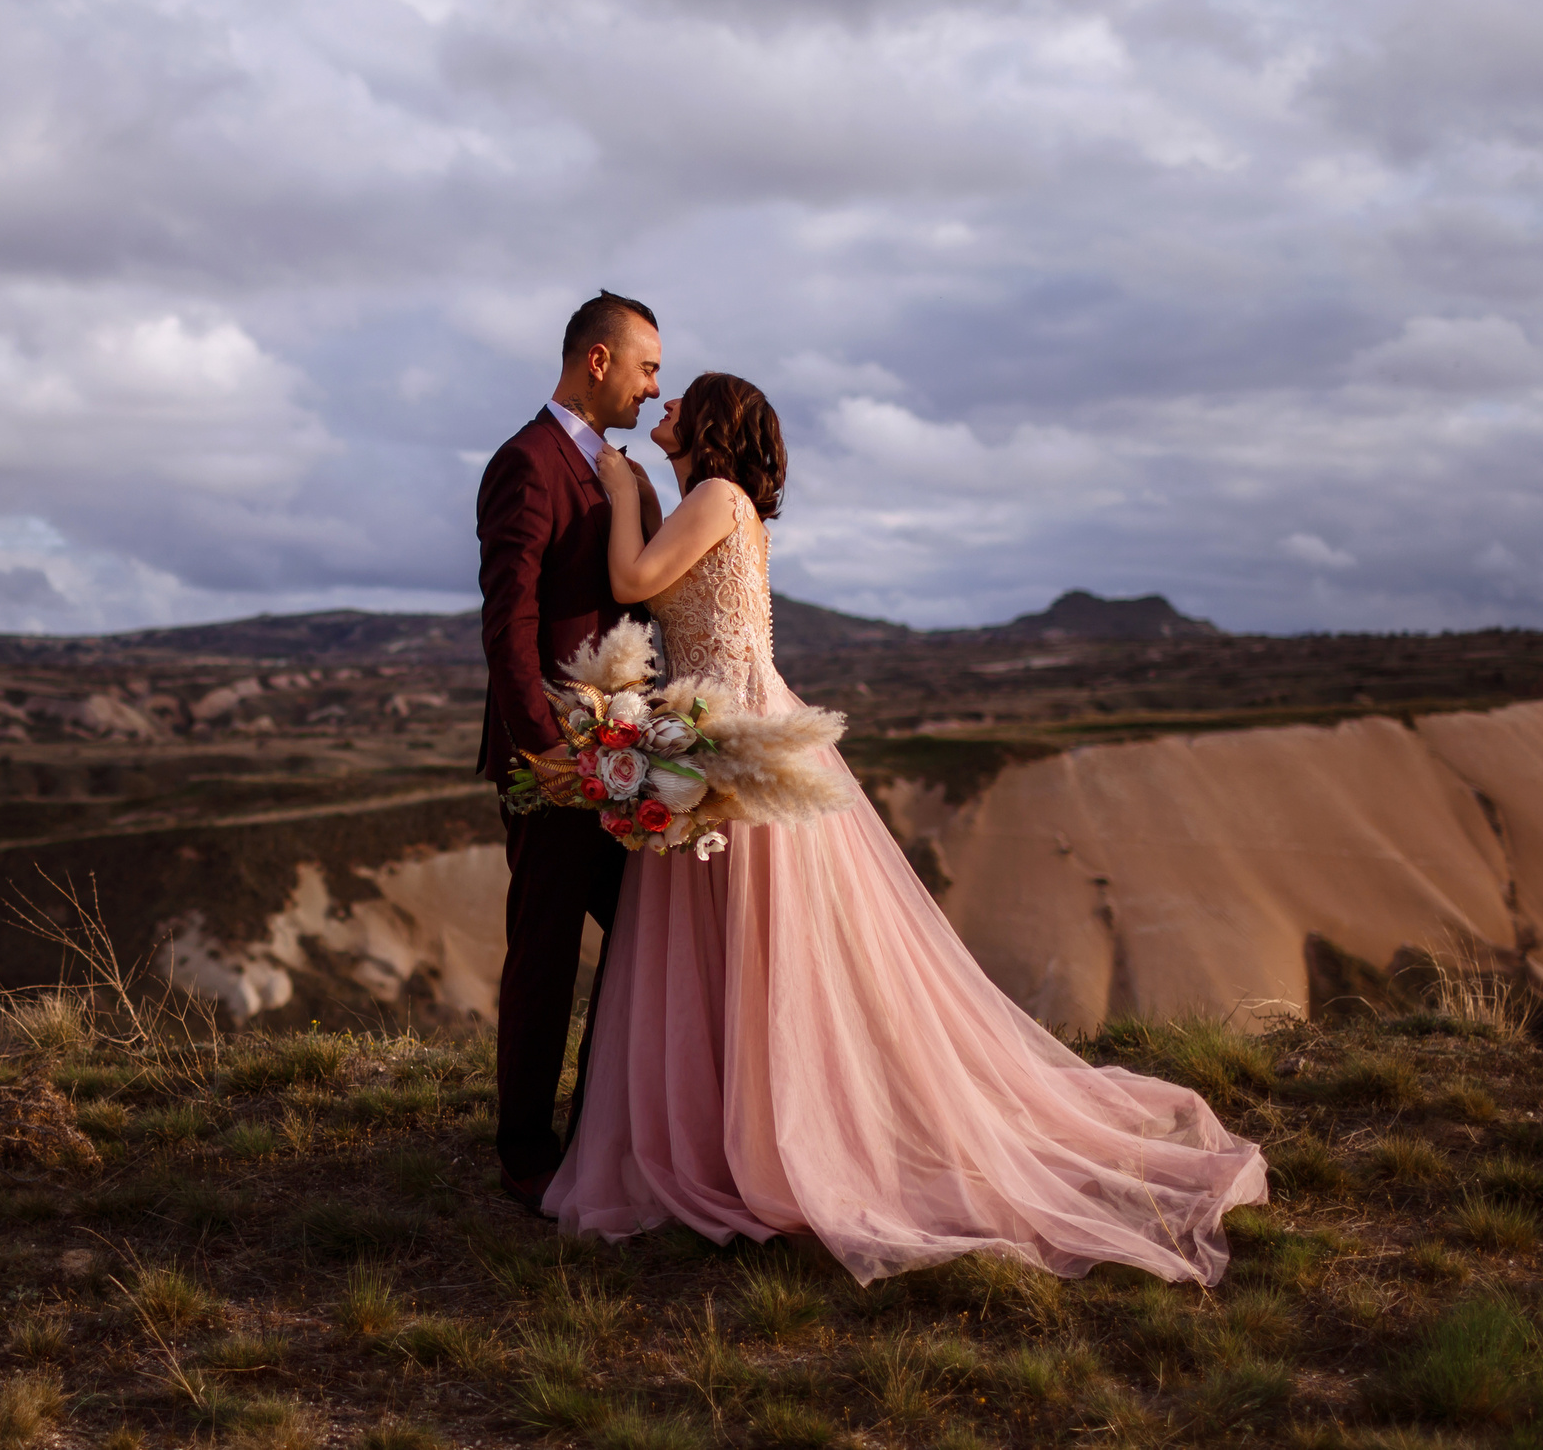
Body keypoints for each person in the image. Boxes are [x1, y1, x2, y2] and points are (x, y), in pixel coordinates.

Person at [543, 371, 1268, 1285]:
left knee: (762, 950)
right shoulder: (702, 499)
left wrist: (616, 492)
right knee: (729, 953)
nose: (667, 407)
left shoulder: (719, 495)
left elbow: (630, 577)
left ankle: (776, 1139)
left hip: (735, 744)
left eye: (685, 399)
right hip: (705, 743)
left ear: (718, 426)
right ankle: (735, 1131)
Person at [475, 291, 665, 1210]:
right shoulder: (527, 463)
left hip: (629, 761)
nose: (653, 387)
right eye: (646, 368)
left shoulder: (631, 476)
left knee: (645, 942)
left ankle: (598, 1128)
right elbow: (508, 620)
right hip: (550, 761)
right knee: (545, 952)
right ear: (598, 362)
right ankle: (524, 1152)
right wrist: (543, 749)